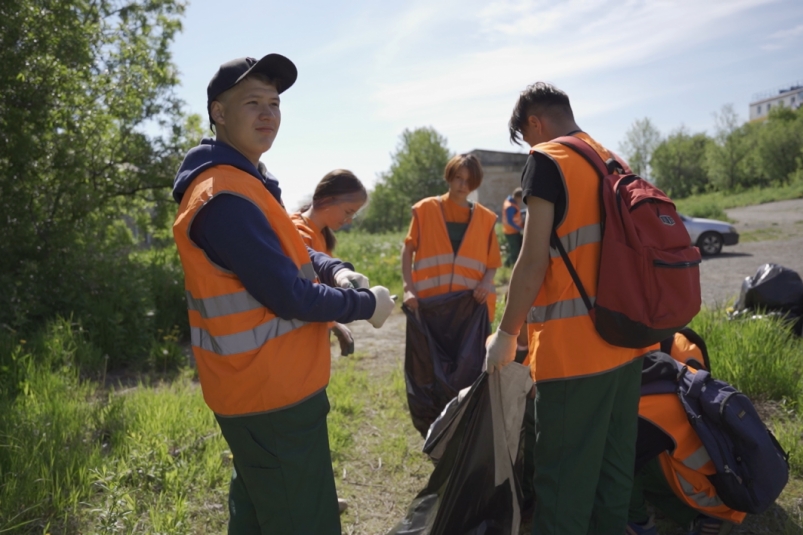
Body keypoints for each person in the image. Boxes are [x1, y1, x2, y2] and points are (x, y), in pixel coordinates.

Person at [171, 54, 395, 535]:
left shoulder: (245, 183)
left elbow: (295, 253)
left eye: (274, 103)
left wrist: (335, 270)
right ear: (219, 112)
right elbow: (290, 295)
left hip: (260, 393)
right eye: (252, 102)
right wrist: (366, 305)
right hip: (271, 396)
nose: (268, 113)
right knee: (303, 520)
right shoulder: (223, 197)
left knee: (257, 513)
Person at [484, 82, 645, 534]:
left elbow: (533, 260)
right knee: (614, 471)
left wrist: (506, 333)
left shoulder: (548, 159)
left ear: (534, 123)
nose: (530, 146)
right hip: (626, 344)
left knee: (562, 481)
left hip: (576, 351)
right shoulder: (612, 160)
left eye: (526, 136)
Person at [628, 335, 745, 535]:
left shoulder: (646, 398)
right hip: (733, 478)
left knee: (619, 464)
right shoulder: (670, 357)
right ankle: (699, 515)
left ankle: (640, 526)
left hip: (721, 492)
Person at [401, 153, 502, 322]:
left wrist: (486, 283)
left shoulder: (486, 218)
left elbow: (493, 263)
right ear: (449, 176)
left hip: (471, 306)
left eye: (469, 181)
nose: (463, 185)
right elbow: (407, 249)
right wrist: (407, 288)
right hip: (431, 303)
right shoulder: (425, 209)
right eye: (458, 178)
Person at [291, 170, 368, 357]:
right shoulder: (298, 233)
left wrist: (333, 324)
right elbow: (305, 294)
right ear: (328, 199)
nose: (349, 220)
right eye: (348, 212)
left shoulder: (320, 234)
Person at [502, 187, 524, 267]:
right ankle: (508, 266)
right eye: (521, 199)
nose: (521, 201)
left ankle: (507, 265)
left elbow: (516, 213)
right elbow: (510, 221)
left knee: (515, 250)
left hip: (511, 231)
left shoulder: (510, 201)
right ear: (518, 197)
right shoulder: (511, 206)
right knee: (515, 251)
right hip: (511, 232)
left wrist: (523, 211)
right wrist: (520, 229)